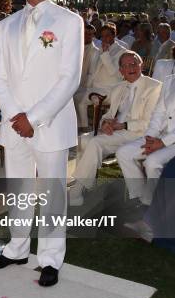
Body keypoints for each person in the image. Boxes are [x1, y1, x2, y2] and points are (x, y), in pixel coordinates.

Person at [0, 0, 83, 287]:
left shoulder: (69, 21)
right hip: (16, 125)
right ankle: (17, 248)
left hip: (50, 123)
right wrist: (16, 116)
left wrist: (34, 117)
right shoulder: (7, 24)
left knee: (53, 191)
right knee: (20, 189)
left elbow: (69, 78)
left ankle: (51, 259)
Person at [69, 52, 162, 205]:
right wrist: (105, 124)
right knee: (83, 140)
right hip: (117, 132)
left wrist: (123, 125)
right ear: (121, 71)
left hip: (139, 133)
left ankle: (78, 188)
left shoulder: (154, 86)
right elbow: (109, 114)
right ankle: (86, 182)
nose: (130, 68)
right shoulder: (119, 87)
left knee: (95, 142)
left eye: (133, 64)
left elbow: (150, 121)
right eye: (125, 66)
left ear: (141, 65)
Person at [116, 73, 175, 208]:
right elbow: (159, 112)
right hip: (158, 135)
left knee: (152, 162)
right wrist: (150, 137)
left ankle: (149, 204)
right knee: (123, 153)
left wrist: (162, 142)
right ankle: (140, 196)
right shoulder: (169, 79)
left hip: (171, 141)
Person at [74, 24, 127, 129]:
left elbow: (114, 73)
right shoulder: (100, 49)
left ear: (113, 36)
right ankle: (82, 126)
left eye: (107, 35)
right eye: (102, 36)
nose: (104, 39)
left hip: (110, 89)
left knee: (80, 101)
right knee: (74, 95)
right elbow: (94, 71)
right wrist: (86, 86)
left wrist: (106, 54)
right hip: (96, 87)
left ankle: (84, 127)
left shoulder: (122, 51)